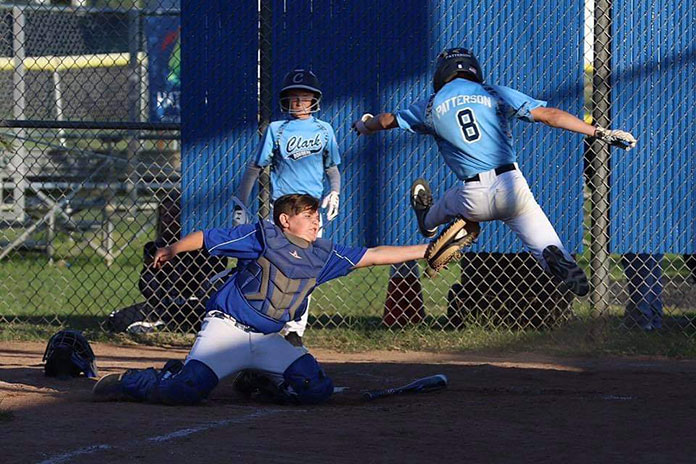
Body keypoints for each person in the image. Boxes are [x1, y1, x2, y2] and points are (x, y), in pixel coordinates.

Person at [92, 194, 435, 406]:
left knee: (316, 390)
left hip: (270, 338)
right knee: (186, 391)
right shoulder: (262, 236)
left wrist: (430, 250)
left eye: (317, 215)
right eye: (308, 215)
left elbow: (375, 254)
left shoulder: (325, 254)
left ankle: (261, 382)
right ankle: (139, 381)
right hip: (227, 330)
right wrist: (172, 248)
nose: (316, 220)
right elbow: (207, 237)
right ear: (286, 220)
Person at [352, 47, 638, 297]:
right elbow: (550, 115)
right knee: (546, 246)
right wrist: (599, 131)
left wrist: (366, 125)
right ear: (474, 70)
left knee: (450, 201)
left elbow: (389, 120)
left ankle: (428, 221)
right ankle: (556, 259)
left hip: (472, 196)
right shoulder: (494, 93)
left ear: (442, 73)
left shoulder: (430, 104)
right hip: (512, 187)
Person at [234, 68, 341, 346]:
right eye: (293, 97)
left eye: (304, 96)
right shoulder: (276, 129)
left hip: (310, 211)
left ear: (314, 99)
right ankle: (266, 323)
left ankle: (295, 330)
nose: (298, 102)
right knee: (272, 265)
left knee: (306, 270)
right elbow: (255, 168)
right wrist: (239, 203)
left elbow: (332, 169)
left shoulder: (324, 130)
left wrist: (336, 192)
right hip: (281, 208)